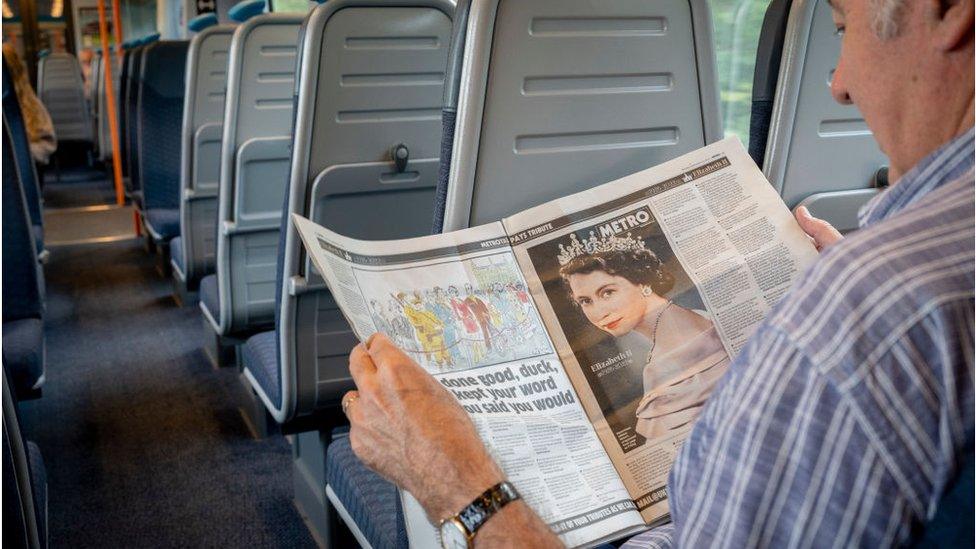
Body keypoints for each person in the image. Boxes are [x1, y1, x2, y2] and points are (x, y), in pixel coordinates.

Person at [340, 0, 974, 546]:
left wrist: (458, 485)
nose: (839, 83)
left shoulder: (871, 308)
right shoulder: (906, 286)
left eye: (842, 26)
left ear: (948, 9)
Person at [557, 232, 729, 440]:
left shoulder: (666, 361)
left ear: (643, 283)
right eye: (585, 301)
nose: (599, 312)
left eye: (607, 292)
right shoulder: (689, 318)